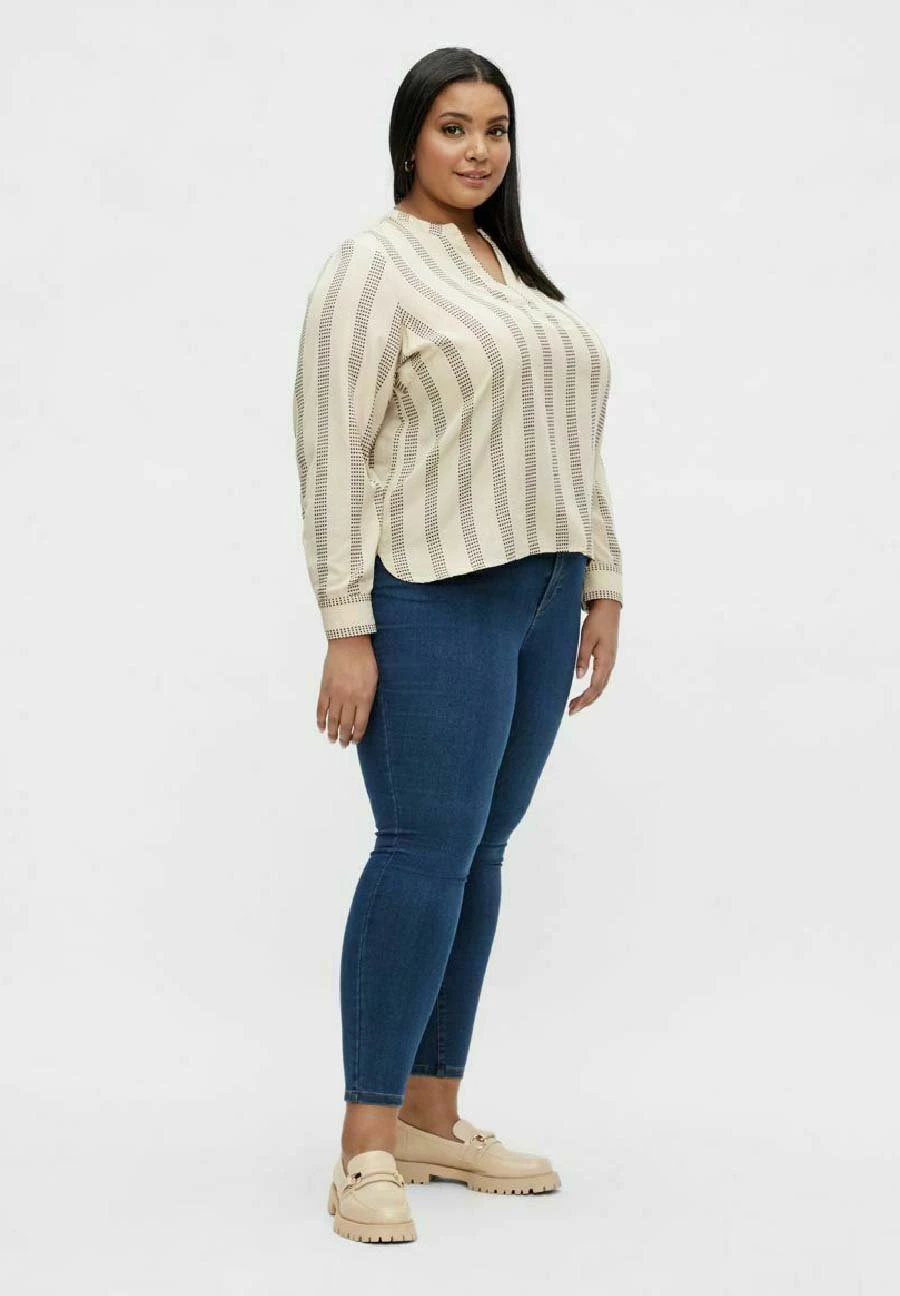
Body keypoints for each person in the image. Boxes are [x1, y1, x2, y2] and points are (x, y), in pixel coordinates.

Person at [292, 47, 623, 1244]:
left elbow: (570, 441)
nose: (479, 150)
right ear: (410, 139)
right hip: (434, 594)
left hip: (546, 592)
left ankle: (433, 1114)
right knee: (423, 852)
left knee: (481, 853)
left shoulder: (514, 274)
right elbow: (331, 450)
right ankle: (366, 1142)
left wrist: (603, 578)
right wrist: (347, 625)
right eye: (453, 127)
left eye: (496, 129)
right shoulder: (373, 264)